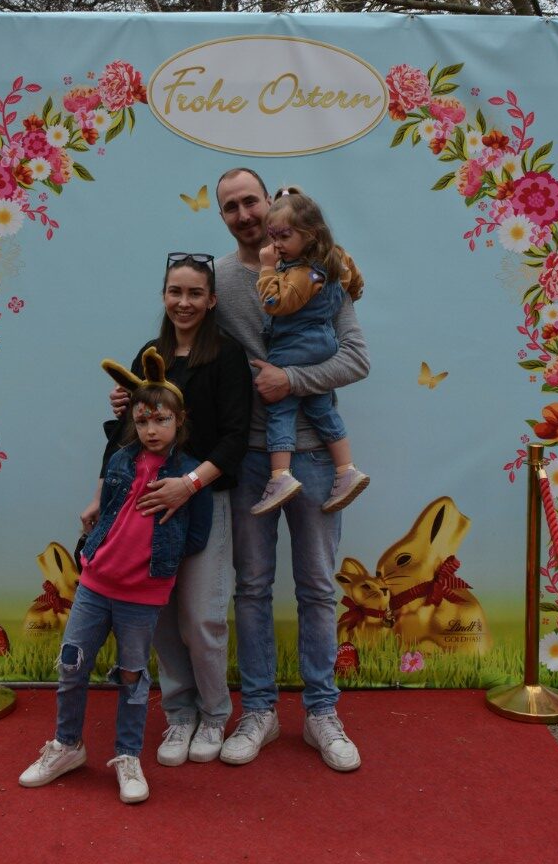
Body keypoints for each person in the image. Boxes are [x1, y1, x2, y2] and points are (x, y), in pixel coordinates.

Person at [213, 168, 370, 773]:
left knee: (318, 587)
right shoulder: (219, 279)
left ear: (271, 203)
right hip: (250, 458)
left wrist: (292, 380)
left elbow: (356, 359)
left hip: (315, 458)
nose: (244, 214)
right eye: (231, 206)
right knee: (252, 587)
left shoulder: (326, 266)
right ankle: (259, 710)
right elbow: (187, 349)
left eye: (250, 201)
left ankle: (321, 712)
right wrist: (137, 395)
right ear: (223, 216)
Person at [19, 357, 213, 804]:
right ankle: (67, 745)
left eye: (161, 420)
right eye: (142, 421)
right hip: (95, 585)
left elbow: (197, 536)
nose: (151, 430)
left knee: (132, 676)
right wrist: (97, 553)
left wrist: (156, 566)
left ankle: (128, 756)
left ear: (179, 420)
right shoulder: (122, 459)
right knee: (72, 664)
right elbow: (107, 510)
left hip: (141, 597)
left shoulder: (189, 475)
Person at [89, 252, 251, 768]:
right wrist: (101, 499)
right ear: (164, 296)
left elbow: (235, 438)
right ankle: (179, 713)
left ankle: (215, 714)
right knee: (156, 614)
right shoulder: (149, 354)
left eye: (195, 293)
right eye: (175, 292)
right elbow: (125, 433)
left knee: (201, 618)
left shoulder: (227, 355)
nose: (184, 302)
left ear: (212, 300)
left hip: (202, 500)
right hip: (143, 504)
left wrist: (188, 483)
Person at [252, 186, 369, 516]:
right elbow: (355, 281)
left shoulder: (304, 272)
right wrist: (349, 292)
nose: (276, 245)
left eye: (284, 236)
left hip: (294, 346)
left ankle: (280, 476)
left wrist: (266, 268)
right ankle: (346, 469)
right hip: (321, 345)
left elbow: (275, 302)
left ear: (310, 234)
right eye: (272, 236)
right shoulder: (335, 259)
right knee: (321, 407)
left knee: (280, 410)